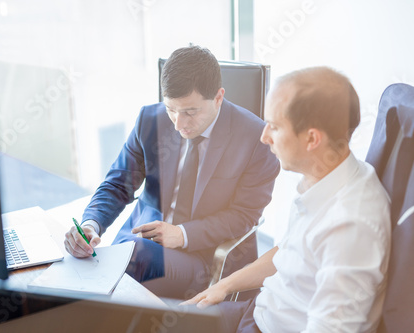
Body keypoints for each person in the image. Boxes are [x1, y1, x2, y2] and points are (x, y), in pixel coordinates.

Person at [183, 67, 391, 332]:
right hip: (259, 312)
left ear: (312, 139)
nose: (264, 136)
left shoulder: (350, 226)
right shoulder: (321, 180)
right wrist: (224, 286)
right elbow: (288, 252)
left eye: (276, 127)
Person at [64, 45, 280, 299]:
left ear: (219, 98)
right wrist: (91, 225)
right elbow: (118, 184)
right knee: (90, 266)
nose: (178, 124)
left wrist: (183, 235)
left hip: (204, 256)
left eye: (190, 112)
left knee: (116, 273)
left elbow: (243, 216)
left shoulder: (257, 139)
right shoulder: (150, 119)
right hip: (139, 243)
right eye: (171, 109)